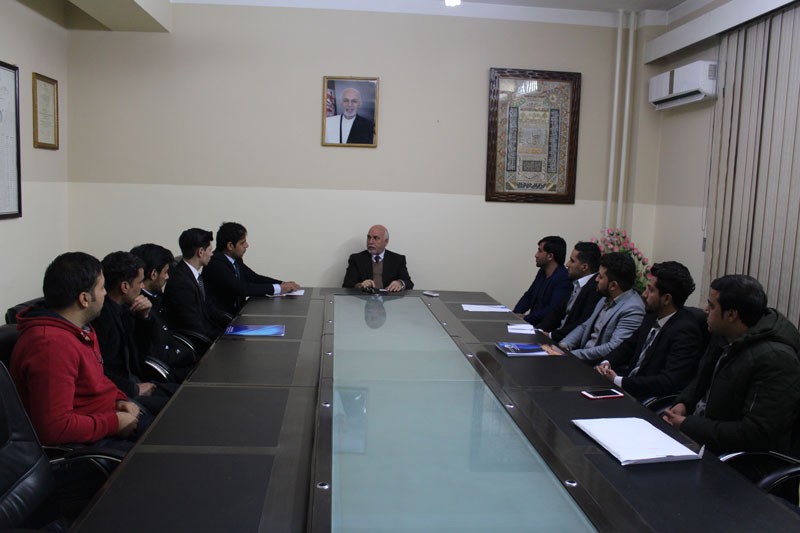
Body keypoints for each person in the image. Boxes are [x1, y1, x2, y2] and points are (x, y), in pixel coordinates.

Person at [9, 252, 144, 447]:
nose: (105, 293)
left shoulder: (79, 330)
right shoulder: (50, 345)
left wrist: (118, 400)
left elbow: (96, 381)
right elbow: (54, 429)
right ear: (84, 299)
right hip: (87, 445)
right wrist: (113, 423)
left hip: (106, 419)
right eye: (101, 288)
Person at [663, 275, 800, 455]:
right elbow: (701, 380)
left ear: (731, 315)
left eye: (711, 306)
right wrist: (684, 403)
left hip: (734, 459)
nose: (705, 310)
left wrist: (687, 424)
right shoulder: (723, 333)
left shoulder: (776, 359)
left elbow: (754, 434)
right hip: (699, 436)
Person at [595, 261, 704, 400]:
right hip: (629, 388)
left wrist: (619, 381)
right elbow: (628, 346)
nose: (644, 295)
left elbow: (667, 381)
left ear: (666, 299)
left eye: (651, 290)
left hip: (647, 399)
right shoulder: (651, 316)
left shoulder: (686, 332)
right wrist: (607, 362)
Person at [92, 252, 176, 414]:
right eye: (140, 282)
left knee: (186, 393)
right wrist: (134, 388)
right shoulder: (102, 318)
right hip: (123, 392)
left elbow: (145, 350)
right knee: (179, 406)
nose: (143, 287)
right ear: (124, 286)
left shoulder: (127, 308)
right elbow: (102, 371)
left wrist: (144, 317)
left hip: (138, 380)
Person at [546, 252, 645, 362]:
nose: (596, 279)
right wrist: (565, 345)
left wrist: (572, 355)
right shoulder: (605, 297)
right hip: (582, 357)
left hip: (598, 366)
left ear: (613, 285)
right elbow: (585, 326)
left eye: (600, 277)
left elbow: (613, 348)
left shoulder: (633, 309)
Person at [202, 222, 300, 315]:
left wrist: (282, 284)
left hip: (238, 314)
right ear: (230, 246)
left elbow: (254, 278)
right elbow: (242, 288)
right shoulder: (215, 263)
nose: (247, 245)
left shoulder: (235, 259)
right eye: (242, 243)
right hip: (221, 320)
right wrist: (279, 288)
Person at [130, 243, 195, 374]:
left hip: (176, 356)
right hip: (167, 369)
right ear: (154, 274)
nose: (167, 277)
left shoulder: (158, 297)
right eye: (165, 272)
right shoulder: (141, 307)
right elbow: (155, 351)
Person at [164, 228, 229, 341]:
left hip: (208, 331)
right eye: (210, 250)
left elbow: (208, 307)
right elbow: (192, 325)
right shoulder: (180, 283)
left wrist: (232, 323)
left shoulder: (192, 275)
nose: (212, 254)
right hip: (198, 341)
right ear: (200, 252)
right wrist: (222, 337)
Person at [537, 241, 602, 342]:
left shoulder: (595, 289)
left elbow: (581, 323)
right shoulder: (577, 283)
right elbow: (557, 312)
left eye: (572, 261)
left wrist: (551, 336)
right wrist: (539, 330)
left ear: (584, 267)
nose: (567, 264)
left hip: (566, 342)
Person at [512, 236, 572, 326]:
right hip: (532, 323)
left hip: (546, 328)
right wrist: (514, 316)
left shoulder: (564, 278)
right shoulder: (542, 273)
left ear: (550, 256)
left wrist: (525, 318)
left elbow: (552, 309)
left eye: (540, 251)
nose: (536, 255)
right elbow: (528, 296)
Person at [342, 224, 413, 292]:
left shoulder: (397, 260)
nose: (370, 242)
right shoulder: (357, 259)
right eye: (369, 237)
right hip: (365, 299)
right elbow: (347, 285)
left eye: (375, 238)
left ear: (386, 242)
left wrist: (400, 283)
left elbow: (409, 283)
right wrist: (360, 285)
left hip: (389, 299)